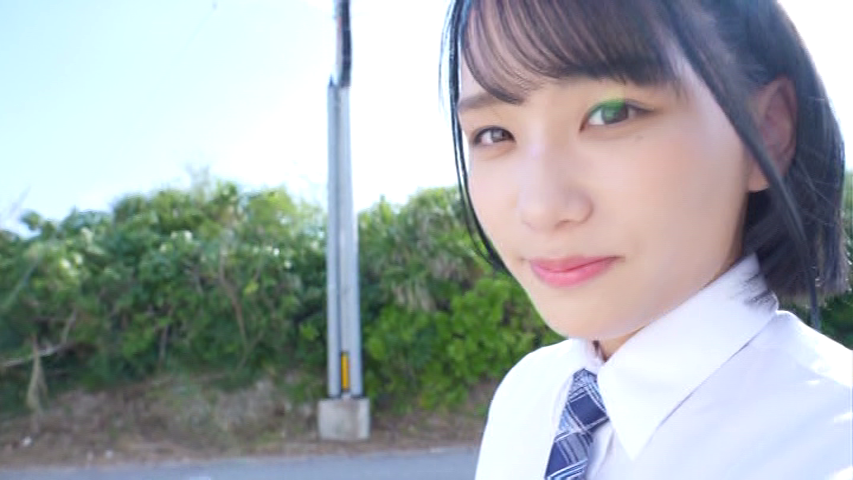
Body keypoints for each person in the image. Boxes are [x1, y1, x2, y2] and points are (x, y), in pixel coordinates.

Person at [441, 0, 853, 479]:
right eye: (494, 134)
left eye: (612, 114)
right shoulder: (528, 396)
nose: (540, 208)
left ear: (767, 133)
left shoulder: (831, 445)